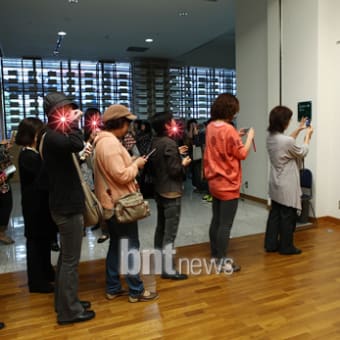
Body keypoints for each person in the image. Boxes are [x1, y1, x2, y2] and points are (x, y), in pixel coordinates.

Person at [94, 104, 159, 303]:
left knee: (116, 246)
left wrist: (130, 161)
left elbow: (114, 171)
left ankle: (113, 287)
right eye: (128, 122)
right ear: (120, 122)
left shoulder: (103, 142)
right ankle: (136, 290)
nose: (130, 127)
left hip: (111, 203)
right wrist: (136, 165)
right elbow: (122, 175)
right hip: (120, 204)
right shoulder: (110, 144)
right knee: (131, 246)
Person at [42, 91, 95, 324]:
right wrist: (73, 123)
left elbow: (70, 156)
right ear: (56, 113)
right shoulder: (53, 135)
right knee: (70, 261)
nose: (70, 114)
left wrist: (82, 157)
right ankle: (69, 311)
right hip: (66, 206)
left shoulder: (52, 135)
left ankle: (64, 302)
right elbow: (75, 143)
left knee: (66, 259)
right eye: (65, 110)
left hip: (63, 203)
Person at [204, 93, 255, 272]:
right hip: (228, 184)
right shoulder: (229, 130)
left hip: (214, 182)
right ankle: (222, 261)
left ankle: (214, 254)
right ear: (230, 110)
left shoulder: (211, 126)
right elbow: (242, 154)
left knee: (216, 220)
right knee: (226, 224)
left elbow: (223, 145)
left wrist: (236, 136)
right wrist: (248, 138)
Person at [264, 106, 313, 255]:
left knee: (275, 214)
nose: (290, 121)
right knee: (287, 216)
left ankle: (271, 244)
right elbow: (301, 152)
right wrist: (307, 136)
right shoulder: (285, 141)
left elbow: (288, 141)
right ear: (283, 121)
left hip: (275, 182)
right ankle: (286, 247)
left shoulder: (271, 137)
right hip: (286, 183)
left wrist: (299, 129)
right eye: (289, 119)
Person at [149, 112, 191, 280]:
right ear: (167, 125)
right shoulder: (169, 143)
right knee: (170, 233)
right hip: (171, 191)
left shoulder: (156, 141)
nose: (175, 122)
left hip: (159, 189)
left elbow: (161, 161)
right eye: (172, 120)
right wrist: (183, 163)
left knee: (160, 228)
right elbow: (175, 171)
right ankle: (168, 269)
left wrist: (175, 152)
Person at [15, 117, 56, 293]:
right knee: (35, 243)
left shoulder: (33, 154)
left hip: (40, 205)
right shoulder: (27, 156)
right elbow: (43, 176)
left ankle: (46, 273)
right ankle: (36, 282)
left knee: (44, 241)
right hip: (34, 207)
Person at [0, 140, 15, 245]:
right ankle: (1, 233)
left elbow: (9, 169)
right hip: (2, 182)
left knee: (6, 205)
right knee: (5, 206)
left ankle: (1, 232)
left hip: (4, 182)